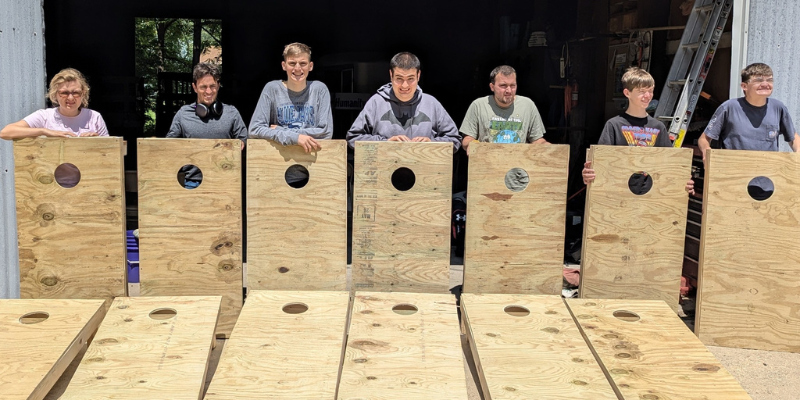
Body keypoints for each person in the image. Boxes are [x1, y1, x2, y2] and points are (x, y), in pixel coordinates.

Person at [582, 67, 694, 195]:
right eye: (641, 91)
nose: (647, 96)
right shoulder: (614, 125)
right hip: (618, 193)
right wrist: (588, 174)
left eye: (650, 91)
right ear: (627, 93)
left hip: (651, 195)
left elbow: (668, 165)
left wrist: (683, 181)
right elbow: (601, 163)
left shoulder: (658, 127)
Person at [698, 63, 799, 199]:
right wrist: (706, 154)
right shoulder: (729, 107)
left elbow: (793, 137)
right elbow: (704, 139)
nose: (765, 84)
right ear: (744, 86)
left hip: (769, 184)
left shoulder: (778, 108)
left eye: (769, 80)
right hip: (734, 182)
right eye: (758, 80)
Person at [1, 68, 109, 188]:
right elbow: (6, 132)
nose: (71, 98)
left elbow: (110, 153)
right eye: (64, 93)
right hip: (51, 187)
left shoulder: (94, 117)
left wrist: (97, 140)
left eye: (76, 92)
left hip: (89, 185)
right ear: (55, 94)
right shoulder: (44, 116)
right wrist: (44, 131)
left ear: (83, 93)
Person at [346, 52, 461, 152]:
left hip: (424, 171)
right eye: (399, 78)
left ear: (418, 75)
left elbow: (455, 140)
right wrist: (385, 143)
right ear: (391, 75)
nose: (405, 85)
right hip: (383, 171)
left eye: (410, 79)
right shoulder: (376, 102)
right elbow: (353, 138)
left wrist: (431, 143)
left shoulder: (431, 103)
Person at [166, 62, 248, 189]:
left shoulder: (232, 113)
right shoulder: (183, 114)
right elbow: (169, 145)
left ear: (218, 85)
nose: (209, 91)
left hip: (227, 181)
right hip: (193, 182)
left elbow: (245, 140)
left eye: (212, 86)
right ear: (194, 87)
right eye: (203, 87)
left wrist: (242, 143)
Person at [249, 42, 333, 154]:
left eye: (303, 63)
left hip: (312, 159)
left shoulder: (320, 90)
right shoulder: (272, 89)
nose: (298, 68)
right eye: (292, 63)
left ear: (310, 66)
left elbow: (326, 132)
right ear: (284, 65)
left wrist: (282, 130)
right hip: (278, 159)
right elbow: (254, 129)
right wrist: (295, 138)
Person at [460, 65, 547, 156]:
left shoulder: (528, 105)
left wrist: (547, 146)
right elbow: (466, 140)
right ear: (492, 87)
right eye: (503, 86)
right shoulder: (478, 105)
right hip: (487, 163)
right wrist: (472, 144)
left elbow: (536, 140)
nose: (508, 90)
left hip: (518, 164)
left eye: (512, 85)